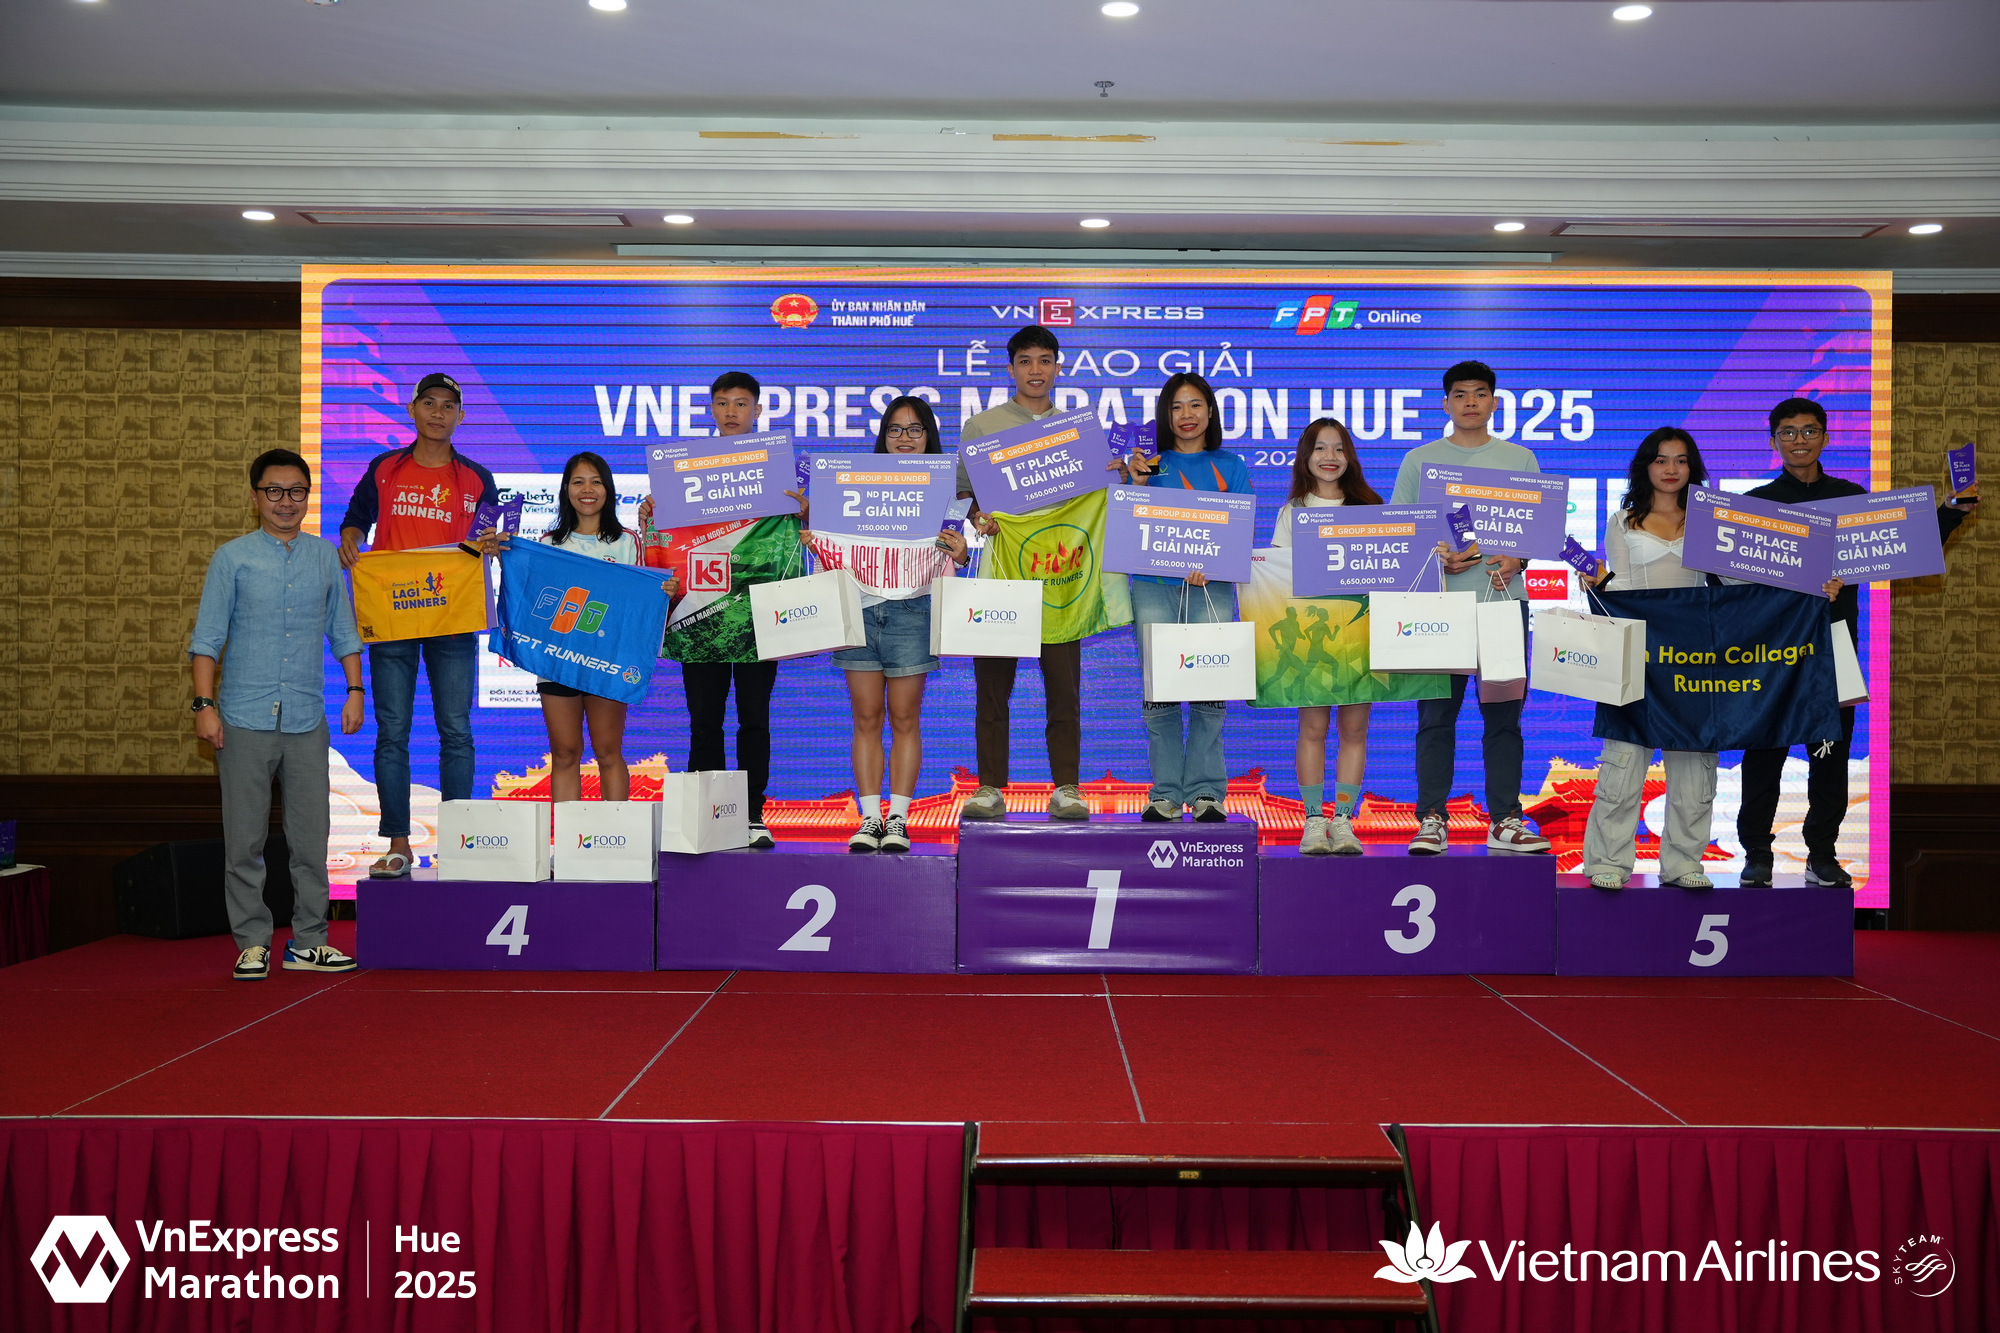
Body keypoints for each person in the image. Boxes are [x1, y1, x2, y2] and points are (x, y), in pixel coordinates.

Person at [1734, 397, 1977, 887]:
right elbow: (1732, 583)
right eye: (1788, 432)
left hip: (1834, 650)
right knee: (1764, 756)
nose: (1799, 440)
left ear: (1826, 437)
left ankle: (1822, 854)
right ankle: (1757, 853)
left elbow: (1903, 543)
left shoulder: (1852, 498)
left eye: (1809, 431)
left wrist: (1950, 511)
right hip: (1772, 652)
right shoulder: (1756, 504)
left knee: (1831, 758)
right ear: (1773, 441)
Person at [191, 450, 365, 980]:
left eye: (296, 492)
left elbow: (344, 631)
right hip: (242, 718)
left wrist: (355, 689)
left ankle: (310, 941)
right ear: (255, 497)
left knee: (311, 839)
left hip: (307, 718)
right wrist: (204, 705)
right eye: (274, 491)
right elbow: (207, 639)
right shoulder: (232, 558)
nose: (285, 502)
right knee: (244, 841)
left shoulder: (325, 557)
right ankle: (252, 942)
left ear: (308, 497)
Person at [338, 372, 499, 880]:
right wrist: (350, 537)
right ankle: (398, 844)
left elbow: (491, 537)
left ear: (461, 416)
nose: (437, 413)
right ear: (412, 410)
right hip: (393, 615)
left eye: (448, 405)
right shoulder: (385, 467)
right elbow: (355, 516)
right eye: (429, 403)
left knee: (457, 731)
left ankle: (457, 843)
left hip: (452, 618)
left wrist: (493, 543)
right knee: (392, 733)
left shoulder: (478, 478)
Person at [1388, 360, 1553, 855]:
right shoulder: (1420, 461)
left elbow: (1536, 531)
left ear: (1494, 402)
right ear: (1446, 404)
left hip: (1503, 606)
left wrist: (1519, 559)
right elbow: (1402, 531)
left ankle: (1504, 819)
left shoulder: (1520, 459)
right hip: (1441, 610)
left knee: (1504, 719)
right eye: (1460, 395)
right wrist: (1435, 556)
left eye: (1480, 393)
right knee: (1435, 718)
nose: (1471, 402)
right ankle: (1432, 818)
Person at [640, 370, 803, 849]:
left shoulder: (783, 468)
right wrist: (649, 516)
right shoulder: (683, 470)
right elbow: (666, 536)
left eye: (741, 403)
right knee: (704, 720)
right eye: (723, 403)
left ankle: (752, 814)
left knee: (755, 718)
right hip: (700, 611)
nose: (732, 411)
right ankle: (706, 817)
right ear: (711, 409)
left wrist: (806, 510)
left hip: (760, 612)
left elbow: (807, 527)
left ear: (757, 410)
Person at [956, 326, 1091, 821]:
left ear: (1058, 367)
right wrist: (979, 518)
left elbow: (1092, 500)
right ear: (1011, 368)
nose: (1036, 370)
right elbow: (964, 494)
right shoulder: (982, 426)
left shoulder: (1076, 430)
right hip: (1002, 571)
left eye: (1045, 360)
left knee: (1064, 689)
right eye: (1026, 361)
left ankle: (1067, 787)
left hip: (1060, 574)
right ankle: (989, 787)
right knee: (992, 688)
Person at [824, 397, 970, 852]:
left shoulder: (947, 490)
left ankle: (899, 820)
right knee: (866, 717)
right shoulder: (852, 483)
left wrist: (961, 552)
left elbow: (955, 550)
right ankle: (870, 818)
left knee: (905, 718)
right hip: (858, 609)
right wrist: (815, 535)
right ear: (883, 436)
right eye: (895, 429)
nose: (904, 438)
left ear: (929, 436)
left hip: (912, 610)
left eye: (915, 429)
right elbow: (832, 541)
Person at [1121, 373, 1252, 823]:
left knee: (1209, 686)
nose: (1186, 415)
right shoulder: (1148, 464)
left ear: (1210, 412)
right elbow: (1128, 523)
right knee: (1159, 690)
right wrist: (1135, 482)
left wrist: (1212, 563)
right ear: (1165, 415)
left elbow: (1239, 532)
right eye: (1176, 407)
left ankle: (1206, 791)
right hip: (1153, 586)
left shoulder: (1230, 465)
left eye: (1195, 405)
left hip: (1210, 588)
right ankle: (1165, 793)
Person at [497, 452, 660, 803]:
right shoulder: (548, 543)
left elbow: (640, 600)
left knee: (608, 752)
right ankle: (568, 837)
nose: (587, 490)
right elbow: (530, 599)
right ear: (566, 489)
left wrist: (665, 589)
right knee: (565, 754)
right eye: (578, 482)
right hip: (557, 660)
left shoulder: (627, 541)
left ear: (609, 490)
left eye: (596, 482)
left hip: (608, 662)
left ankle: (616, 832)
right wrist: (505, 555)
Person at [1270, 417, 1381, 854]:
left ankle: (1344, 821)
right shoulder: (1292, 512)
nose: (1329, 457)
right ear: (1306, 456)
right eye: (1320, 448)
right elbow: (1277, 576)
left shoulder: (1370, 509)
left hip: (1359, 635)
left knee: (1355, 730)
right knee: (1313, 729)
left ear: (1350, 456)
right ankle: (1314, 820)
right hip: (1312, 639)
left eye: (1338, 448)